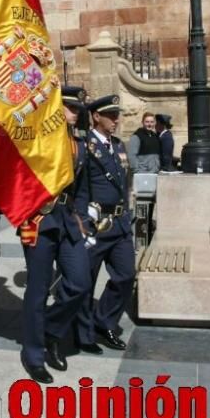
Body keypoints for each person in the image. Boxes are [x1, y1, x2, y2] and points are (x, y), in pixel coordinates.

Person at [18, 86, 92, 384]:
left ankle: (49, 331)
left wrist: (85, 219)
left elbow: (82, 189)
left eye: (78, 110)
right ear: (56, 109)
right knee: (38, 291)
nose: (76, 114)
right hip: (39, 220)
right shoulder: (36, 140)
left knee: (80, 283)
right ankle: (34, 355)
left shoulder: (79, 146)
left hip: (68, 220)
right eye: (71, 108)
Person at [74, 94, 135, 354]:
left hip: (119, 224)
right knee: (86, 283)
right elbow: (78, 187)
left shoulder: (118, 145)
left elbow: (123, 183)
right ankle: (84, 334)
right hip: (95, 225)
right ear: (96, 116)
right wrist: (82, 220)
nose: (116, 120)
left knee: (126, 275)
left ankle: (104, 320)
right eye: (111, 115)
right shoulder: (84, 146)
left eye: (117, 115)